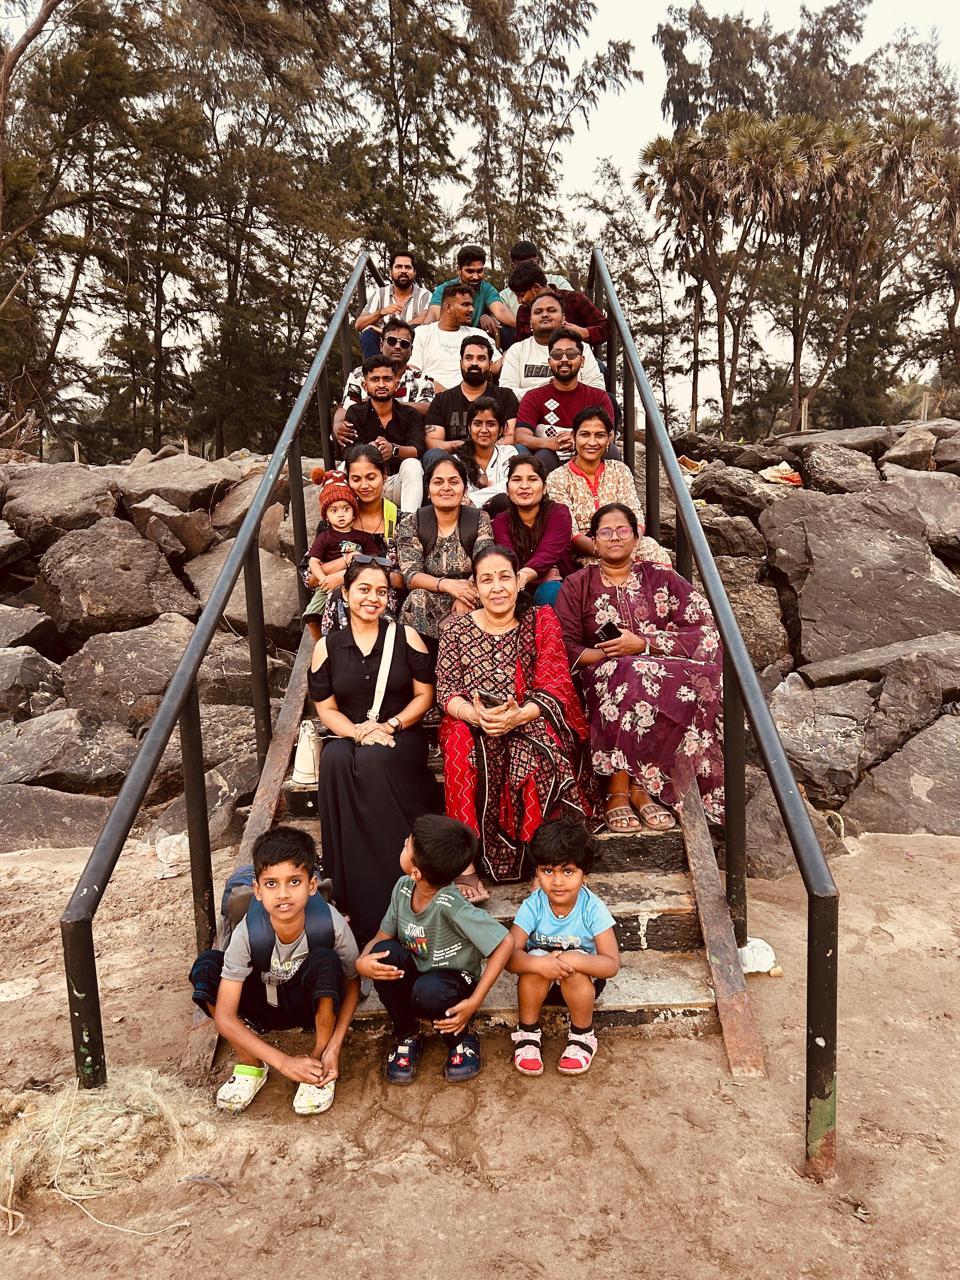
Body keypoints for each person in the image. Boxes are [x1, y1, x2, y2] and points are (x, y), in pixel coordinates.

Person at [436, 544, 599, 894]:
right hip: (472, 720)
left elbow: (555, 683)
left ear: (518, 581)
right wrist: (475, 714)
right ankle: (464, 863)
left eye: (504, 578)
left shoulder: (541, 620)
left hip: (528, 714)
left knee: (540, 749)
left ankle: (546, 858)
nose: (497, 588)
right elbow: (446, 691)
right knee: (458, 744)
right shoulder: (455, 629)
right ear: (475, 586)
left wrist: (520, 715)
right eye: (487, 580)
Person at [554, 503, 724, 833]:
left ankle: (637, 786)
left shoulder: (663, 577)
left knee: (670, 675)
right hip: (601, 674)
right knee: (630, 673)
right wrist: (613, 656)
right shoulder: (578, 584)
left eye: (623, 530)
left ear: (636, 537)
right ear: (593, 541)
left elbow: (707, 631)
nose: (614, 537)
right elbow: (565, 644)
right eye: (605, 532)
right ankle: (619, 790)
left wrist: (644, 643)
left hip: (661, 670)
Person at [309, 558, 437, 947]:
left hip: (401, 734)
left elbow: (425, 696)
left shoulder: (406, 637)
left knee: (372, 760)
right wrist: (358, 732)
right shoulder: (327, 647)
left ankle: (390, 890)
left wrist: (391, 725)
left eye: (381, 592)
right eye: (363, 589)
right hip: (350, 735)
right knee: (333, 759)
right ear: (346, 593)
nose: (373, 598)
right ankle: (346, 890)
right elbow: (326, 708)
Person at [189, 826, 360, 1115]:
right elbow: (226, 1017)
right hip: (263, 1005)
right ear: (257, 890)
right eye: (271, 884)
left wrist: (334, 1047)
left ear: (311, 885)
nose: (283, 894)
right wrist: (284, 1062)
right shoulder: (248, 933)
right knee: (206, 966)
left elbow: (352, 984)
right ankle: (251, 1064)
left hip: (308, 1006)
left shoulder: (330, 924)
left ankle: (318, 1064)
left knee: (326, 961)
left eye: (294, 881)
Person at [356, 814, 516, 1084]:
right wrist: (362, 962)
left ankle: (461, 1037)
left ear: (416, 872)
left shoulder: (452, 905)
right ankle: (406, 1033)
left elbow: (505, 943)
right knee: (384, 953)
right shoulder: (403, 888)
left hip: (450, 983)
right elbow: (382, 936)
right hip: (417, 975)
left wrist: (475, 1001)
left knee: (430, 990)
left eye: (407, 845)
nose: (403, 843)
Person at [507, 821, 620, 1076]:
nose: (558, 881)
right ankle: (527, 1032)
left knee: (574, 968)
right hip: (540, 985)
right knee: (533, 962)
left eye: (568, 871)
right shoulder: (533, 905)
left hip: (582, 984)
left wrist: (572, 960)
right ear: (537, 872)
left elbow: (611, 964)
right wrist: (539, 964)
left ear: (584, 873)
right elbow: (509, 956)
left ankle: (582, 1035)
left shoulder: (592, 908)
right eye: (548, 871)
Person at [545, 408, 670, 568]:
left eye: (599, 435)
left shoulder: (619, 470)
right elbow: (570, 532)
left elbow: (635, 515)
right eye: (585, 435)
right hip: (587, 551)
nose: (592, 442)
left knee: (652, 549)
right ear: (573, 437)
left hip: (627, 544)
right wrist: (609, 552)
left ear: (609, 438)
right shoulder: (558, 477)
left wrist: (630, 548)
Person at [397, 455, 494, 644]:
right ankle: (421, 660)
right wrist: (449, 586)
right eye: (438, 482)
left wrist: (464, 597)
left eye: (454, 482)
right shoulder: (412, 523)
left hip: (471, 595)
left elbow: (485, 565)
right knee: (417, 598)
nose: (446, 488)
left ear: (465, 490)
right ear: (428, 490)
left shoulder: (479, 519)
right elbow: (411, 575)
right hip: (430, 598)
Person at [515, 328, 616, 474]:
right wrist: (550, 443)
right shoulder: (534, 397)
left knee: (611, 451)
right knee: (543, 455)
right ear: (549, 362)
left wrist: (580, 440)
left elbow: (609, 436)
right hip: (550, 461)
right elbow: (521, 436)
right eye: (557, 355)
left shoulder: (598, 397)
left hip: (588, 459)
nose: (564, 359)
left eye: (571, 354)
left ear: (582, 361)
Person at [302, 468, 385, 642]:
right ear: (326, 516)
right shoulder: (324, 538)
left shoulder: (362, 537)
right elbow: (314, 561)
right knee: (311, 614)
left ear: (354, 512)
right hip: (328, 583)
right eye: (334, 510)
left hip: (356, 582)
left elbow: (374, 559)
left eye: (346, 509)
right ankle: (320, 645)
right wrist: (323, 579)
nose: (340, 514)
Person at [338, 356, 426, 513]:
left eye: (387, 379)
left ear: (396, 384)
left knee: (413, 465)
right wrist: (369, 451)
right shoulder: (355, 412)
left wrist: (393, 449)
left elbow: (418, 449)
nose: (381, 384)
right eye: (375, 379)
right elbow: (348, 451)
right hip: (365, 484)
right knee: (343, 468)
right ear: (365, 385)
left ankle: (409, 523)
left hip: (397, 484)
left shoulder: (410, 414)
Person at [422, 336, 518, 470]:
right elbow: (432, 441)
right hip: (452, 464)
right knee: (433, 455)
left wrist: (482, 450)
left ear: (490, 364)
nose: (474, 363)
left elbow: (509, 438)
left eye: (481, 358)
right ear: (461, 363)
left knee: (519, 451)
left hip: (494, 459)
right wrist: (462, 447)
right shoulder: (442, 400)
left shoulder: (505, 396)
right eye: (469, 358)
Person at [491, 455, 574, 606]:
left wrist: (524, 575)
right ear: (507, 489)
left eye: (532, 479)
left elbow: (548, 553)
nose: (524, 486)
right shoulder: (500, 522)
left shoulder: (559, 513)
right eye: (517, 479)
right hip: (515, 587)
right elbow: (508, 559)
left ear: (545, 488)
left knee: (549, 592)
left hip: (555, 587)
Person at [335, 318, 434, 438]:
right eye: (392, 341)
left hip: (407, 442)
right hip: (367, 441)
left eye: (404, 343)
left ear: (411, 350)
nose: (398, 346)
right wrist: (337, 424)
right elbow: (346, 407)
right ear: (381, 345)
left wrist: (387, 403)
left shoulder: (421, 379)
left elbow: (428, 409)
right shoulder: (359, 375)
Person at [499, 292, 605, 399]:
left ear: (563, 318)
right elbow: (506, 393)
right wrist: (545, 391)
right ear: (530, 321)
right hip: (530, 408)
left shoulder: (581, 347)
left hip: (575, 407)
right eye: (538, 312)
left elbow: (597, 388)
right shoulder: (517, 350)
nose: (545, 315)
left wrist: (565, 392)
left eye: (552, 310)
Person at [412, 283, 502, 391]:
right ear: (448, 307)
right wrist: (447, 395)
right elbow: (413, 372)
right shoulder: (421, 333)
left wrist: (511, 353)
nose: (472, 309)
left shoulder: (478, 335)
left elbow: (494, 366)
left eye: (471, 305)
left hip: (471, 396)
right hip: (430, 395)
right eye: (465, 305)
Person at [419, 244, 516, 334]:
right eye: (470, 271)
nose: (476, 277)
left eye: (479, 271)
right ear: (459, 270)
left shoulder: (487, 289)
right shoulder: (444, 289)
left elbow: (499, 310)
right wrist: (424, 333)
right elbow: (434, 314)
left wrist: (521, 326)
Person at [510, 261, 610, 348]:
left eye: (521, 295)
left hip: (576, 358)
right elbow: (521, 345)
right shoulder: (524, 310)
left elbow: (605, 328)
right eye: (538, 312)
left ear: (536, 288)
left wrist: (584, 332)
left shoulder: (574, 299)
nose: (519, 301)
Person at [354, 250, 432, 357]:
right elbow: (359, 325)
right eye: (398, 267)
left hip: (412, 349)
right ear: (390, 272)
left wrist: (385, 331)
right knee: (368, 335)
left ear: (414, 272)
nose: (403, 271)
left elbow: (424, 320)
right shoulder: (380, 294)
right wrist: (381, 312)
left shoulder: (424, 295)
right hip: (385, 351)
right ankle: (377, 367)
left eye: (408, 267)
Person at [458, 398, 519, 509]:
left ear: (501, 430)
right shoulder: (457, 460)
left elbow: (510, 485)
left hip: (503, 515)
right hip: (469, 517)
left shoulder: (508, 453)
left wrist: (472, 498)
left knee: (502, 500)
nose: (484, 430)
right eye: (477, 424)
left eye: (491, 424)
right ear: (469, 428)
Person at [499, 239, 573, 317]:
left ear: (538, 262)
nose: (526, 269)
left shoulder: (559, 282)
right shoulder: (505, 297)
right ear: (512, 266)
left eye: (531, 264)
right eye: (520, 266)